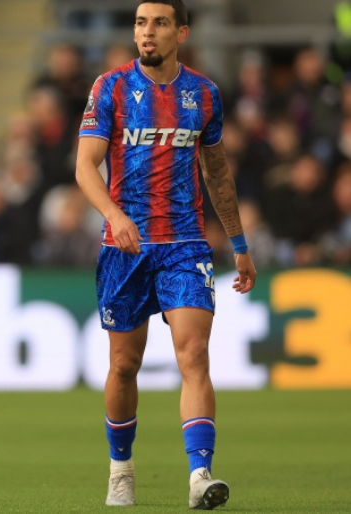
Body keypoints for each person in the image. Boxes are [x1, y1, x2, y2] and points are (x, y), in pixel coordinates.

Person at [75, 0, 256, 510]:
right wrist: (114, 215)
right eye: (140, 23)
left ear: (181, 32)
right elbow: (85, 167)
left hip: (184, 244)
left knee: (194, 355)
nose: (147, 32)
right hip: (125, 247)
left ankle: (200, 475)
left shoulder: (204, 93)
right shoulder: (110, 88)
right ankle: (121, 469)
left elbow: (217, 173)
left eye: (158, 23)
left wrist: (239, 244)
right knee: (124, 366)